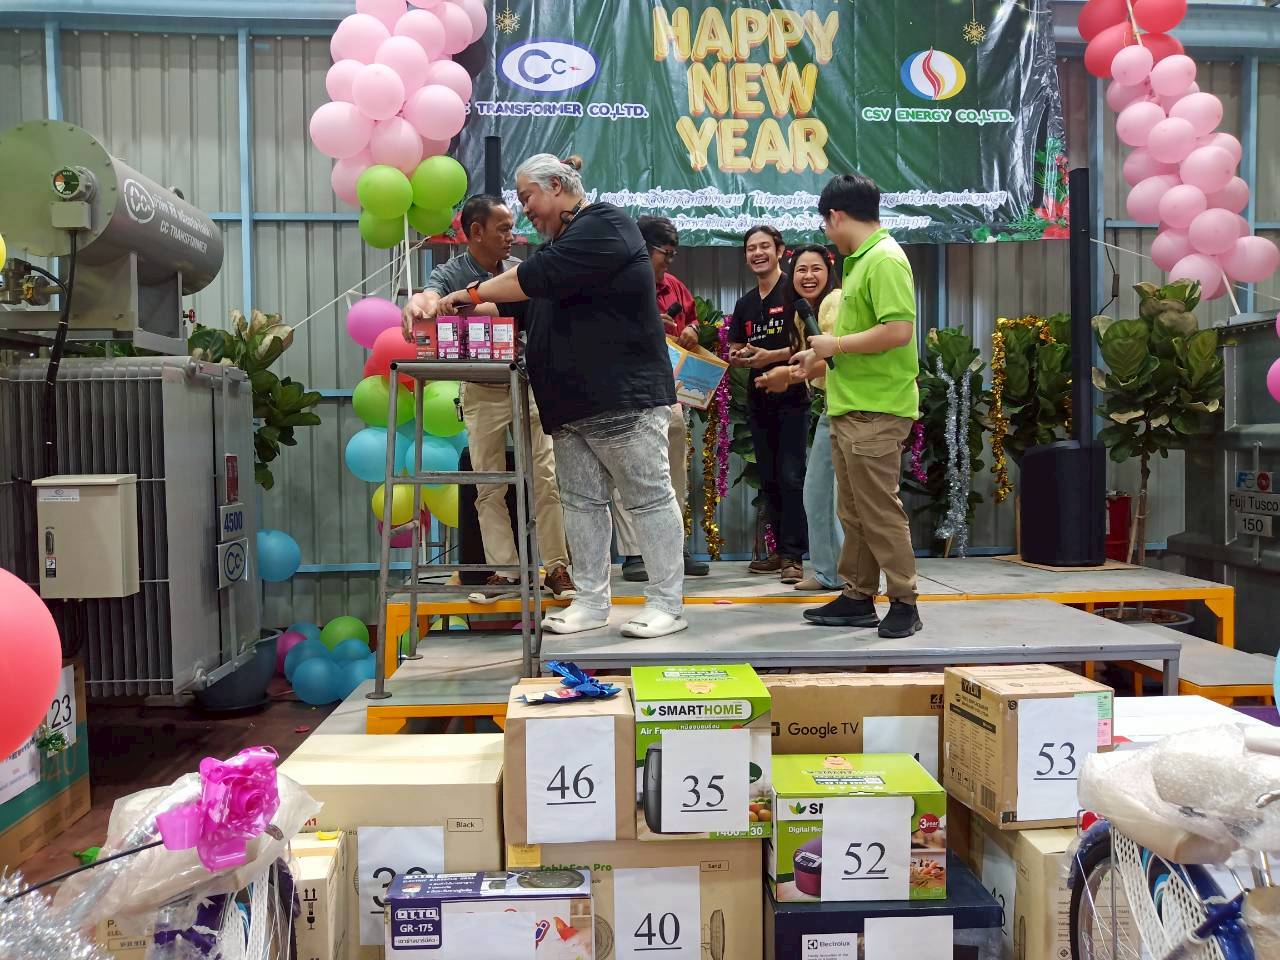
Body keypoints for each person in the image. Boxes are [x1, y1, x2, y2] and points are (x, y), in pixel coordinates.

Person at [429, 155, 687, 639]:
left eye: (527, 197)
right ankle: (590, 600)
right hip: (569, 406)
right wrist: (448, 305)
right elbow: (518, 304)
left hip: (623, 399)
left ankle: (667, 604)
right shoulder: (559, 251)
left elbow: (529, 279)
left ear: (555, 185)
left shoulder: (604, 224)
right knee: (581, 504)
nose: (525, 210)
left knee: (647, 498)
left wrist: (469, 292)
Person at [401, 195, 575, 600]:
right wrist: (416, 304)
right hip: (481, 390)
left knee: (545, 479)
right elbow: (429, 297)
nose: (512, 236)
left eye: (512, 227)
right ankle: (505, 571)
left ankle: (557, 568)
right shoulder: (450, 272)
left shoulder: (521, 271)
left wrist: (476, 306)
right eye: (503, 229)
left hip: (529, 386)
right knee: (488, 485)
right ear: (475, 231)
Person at [790, 173, 923, 638]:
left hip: (877, 409)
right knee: (854, 511)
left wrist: (837, 345)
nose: (828, 234)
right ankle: (858, 595)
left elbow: (898, 331)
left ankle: (904, 600)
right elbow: (858, 337)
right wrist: (817, 358)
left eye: (826, 225)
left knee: (879, 510)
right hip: (850, 406)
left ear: (836, 216)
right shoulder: (860, 261)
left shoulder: (884, 259)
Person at [615, 214, 710, 583]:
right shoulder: (618, 284)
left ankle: (673, 545)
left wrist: (691, 329)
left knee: (674, 470)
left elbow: (694, 319)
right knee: (630, 471)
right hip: (627, 391)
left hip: (670, 391)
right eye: (665, 253)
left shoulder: (675, 287)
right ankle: (635, 553)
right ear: (642, 247)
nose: (669, 261)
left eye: (673, 254)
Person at [757, 244, 844, 592]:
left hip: (851, 407)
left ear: (829, 272)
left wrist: (788, 377)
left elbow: (834, 359)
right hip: (830, 405)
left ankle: (847, 575)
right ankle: (829, 573)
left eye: (816, 269)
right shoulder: (803, 311)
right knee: (817, 494)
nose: (808, 276)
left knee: (836, 499)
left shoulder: (834, 302)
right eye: (801, 270)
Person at [729, 225, 809, 585]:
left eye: (764, 246)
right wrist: (739, 356)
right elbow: (735, 346)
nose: (757, 253)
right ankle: (779, 552)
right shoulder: (745, 303)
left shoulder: (795, 291)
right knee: (770, 477)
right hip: (758, 399)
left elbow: (810, 343)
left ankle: (794, 557)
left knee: (791, 476)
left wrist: (770, 356)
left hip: (792, 396)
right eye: (751, 248)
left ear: (780, 251)